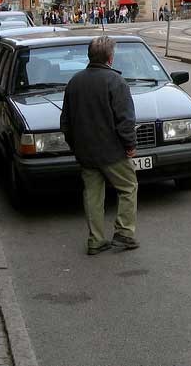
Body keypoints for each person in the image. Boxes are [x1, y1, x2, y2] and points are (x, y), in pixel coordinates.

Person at [60, 36, 139, 256]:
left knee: (92, 196)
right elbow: (125, 120)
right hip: (112, 151)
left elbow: (65, 121)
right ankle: (124, 233)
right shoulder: (116, 82)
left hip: (86, 152)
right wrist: (130, 146)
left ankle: (95, 240)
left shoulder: (74, 82)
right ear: (110, 58)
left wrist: (75, 146)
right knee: (128, 187)